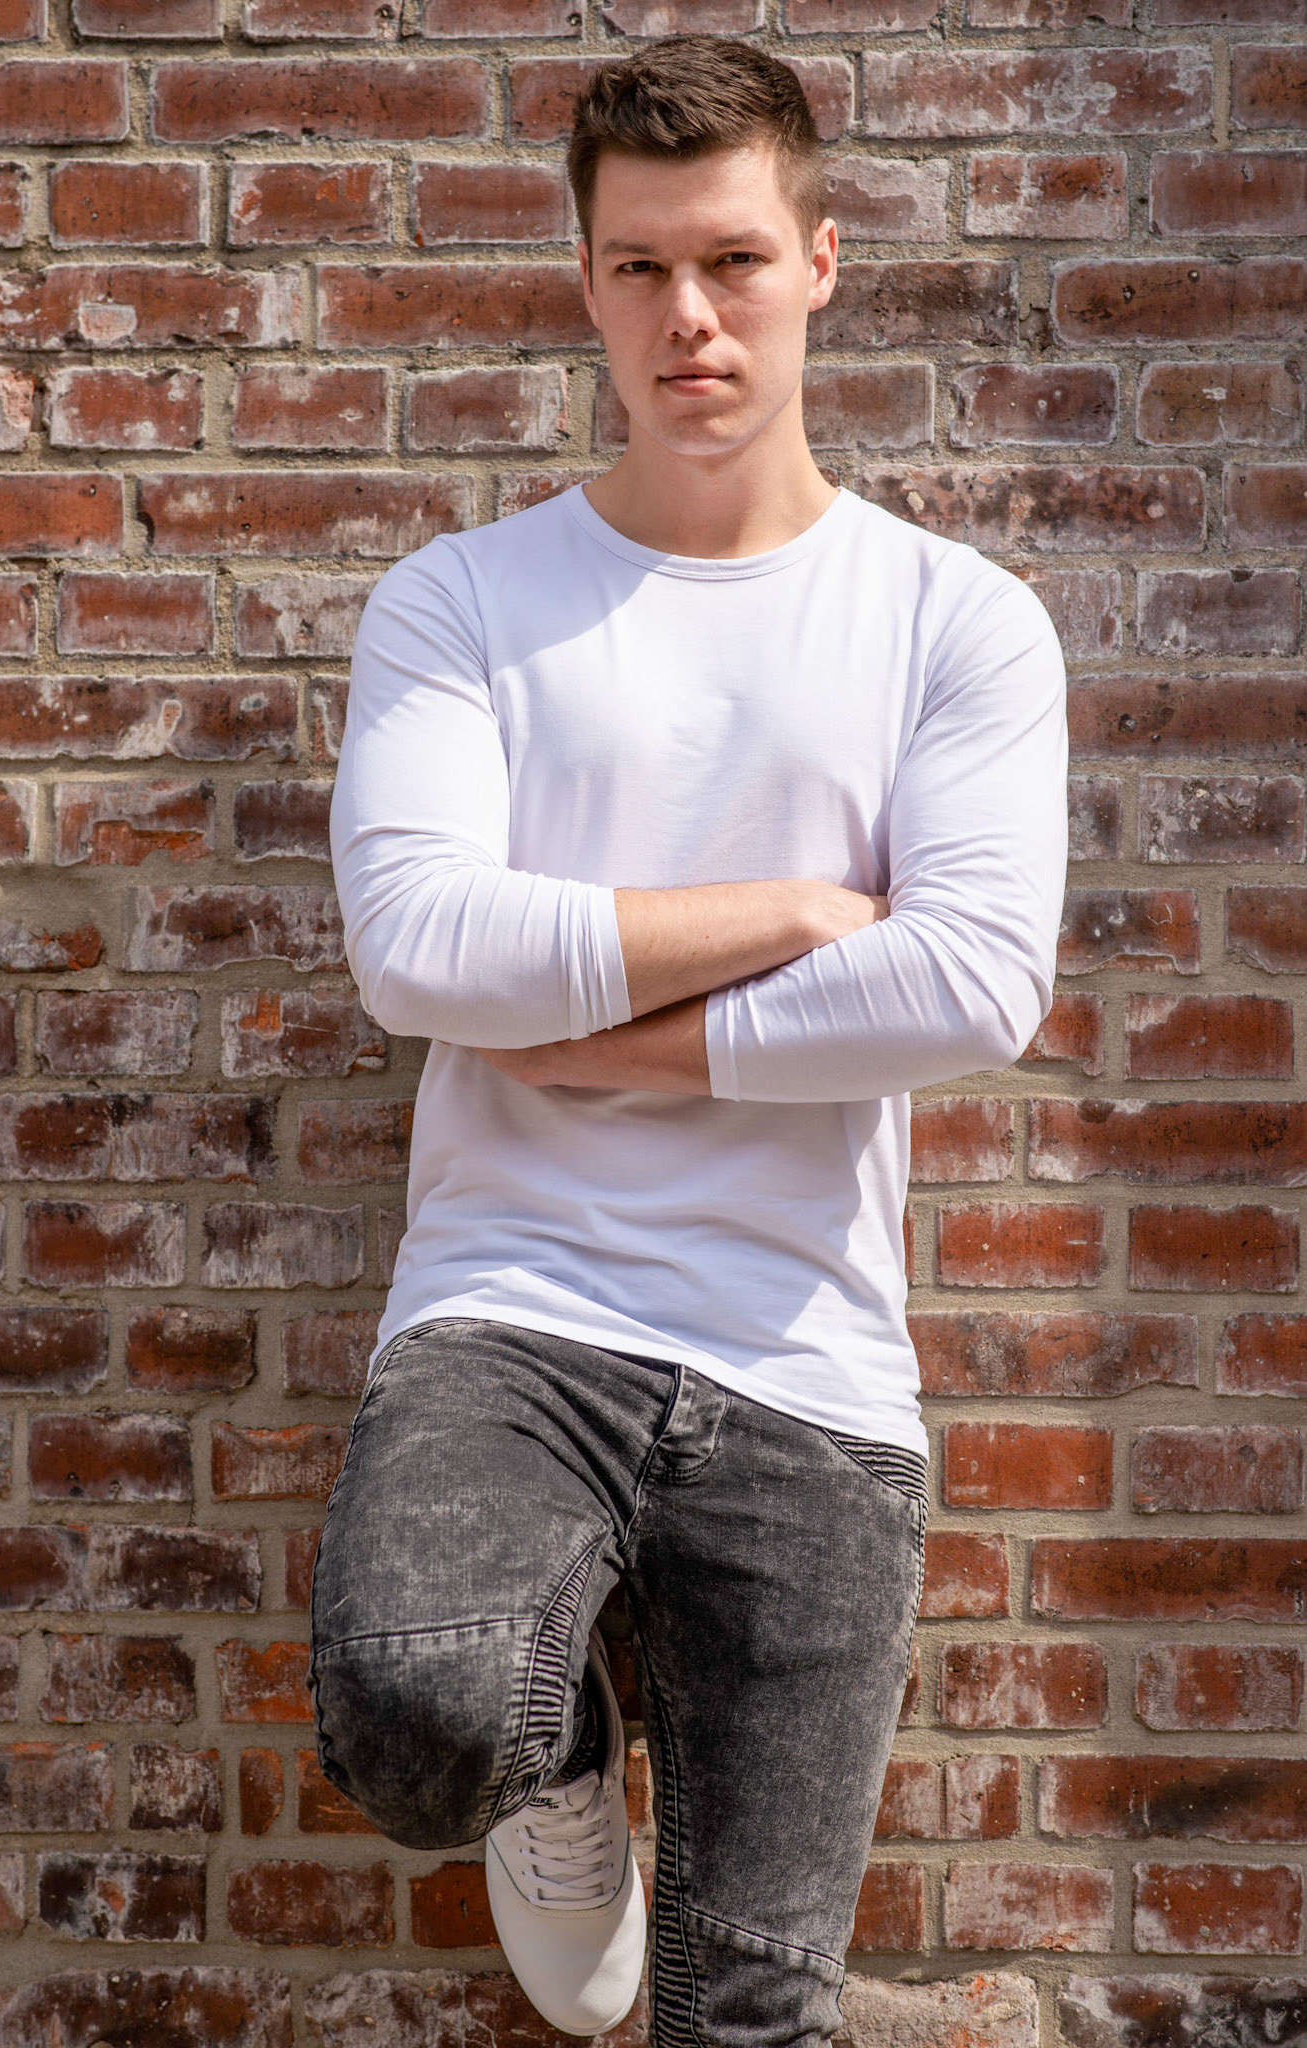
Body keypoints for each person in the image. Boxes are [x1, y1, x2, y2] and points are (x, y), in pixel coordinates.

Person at [308, 33, 1069, 2048]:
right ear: (585, 281)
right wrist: (798, 914)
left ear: (817, 261)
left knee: (746, 2015)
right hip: (512, 1307)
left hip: (808, 1354)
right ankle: (551, 1756)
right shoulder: (463, 605)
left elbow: (972, 982)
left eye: (729, 260)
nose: (688, 317)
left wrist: (599, 1040)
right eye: (638, 268)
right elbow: (420, 950)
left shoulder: (953, 620)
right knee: (417, 1706)